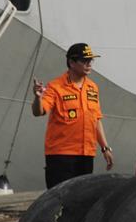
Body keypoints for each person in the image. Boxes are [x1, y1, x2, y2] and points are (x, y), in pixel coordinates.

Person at [31, 43, 114, 188]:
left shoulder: (92, 88)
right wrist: (38, 97)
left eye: (91, 60)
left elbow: (96, 120)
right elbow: (39, 112)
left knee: (82, 199)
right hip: (61, 155)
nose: (89, 64)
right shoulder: (56, 87)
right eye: (84, 61)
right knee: (60, 199)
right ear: (71, 62)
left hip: (86, 154)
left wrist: (105, 148)